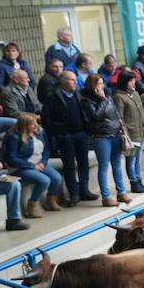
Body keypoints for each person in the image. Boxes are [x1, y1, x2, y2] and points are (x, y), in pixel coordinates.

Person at [42, 71, 94, 207]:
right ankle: (74, 193)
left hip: (81, 134)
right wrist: (60, 130)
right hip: (65, 136)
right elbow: (45, 119)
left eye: (75, 80)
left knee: (84, 163)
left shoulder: (78, 93)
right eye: (72, 80)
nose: (75, 82)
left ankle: (84, 190)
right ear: (63, 81)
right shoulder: (53, 96)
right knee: (69, 166)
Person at [80, 74, 129, 207]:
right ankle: (106, 196)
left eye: (102, 83)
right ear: (92, 85)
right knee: (104, 166)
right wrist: (102, 100)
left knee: (117, 164)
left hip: (115, 134)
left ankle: (121, 191)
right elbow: (95, 116)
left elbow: (115, 113)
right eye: (99, 84)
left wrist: (121, 128)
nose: (102, 86)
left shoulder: (108, 96)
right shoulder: (86, 100)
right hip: (101, 136)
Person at [2, 114, 62, 218]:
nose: (35, 125)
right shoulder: (14, 136)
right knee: (44, 180)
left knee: (56, 178)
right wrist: (32, 166)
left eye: (35, 122)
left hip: (39, 162)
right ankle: (31, 206)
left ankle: (50, 200)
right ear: (24, 125)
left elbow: (46, 150)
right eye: (32, 124)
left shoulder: (40, 132)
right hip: (21, 166)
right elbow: (11, 158)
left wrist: (43, 162)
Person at [112, 71, 144, 194]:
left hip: (140, 133)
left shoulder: (135, 93)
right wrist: (125, 134)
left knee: (138, 159)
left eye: (134, 80)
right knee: (131, 160)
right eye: (130, 80)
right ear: (124, 82)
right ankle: (133, 182)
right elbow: (120, 117)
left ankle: (139, 180)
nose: (134, 83)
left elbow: (141, 112)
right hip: (131, 136)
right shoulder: (118, 97)